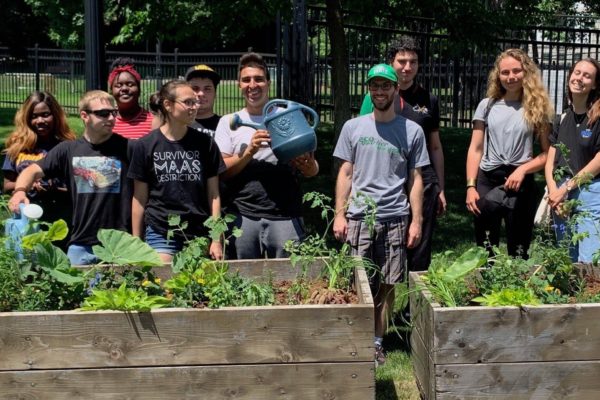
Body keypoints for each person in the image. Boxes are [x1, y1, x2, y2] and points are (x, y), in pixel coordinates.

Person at [333, 64, 429, 365]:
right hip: (360, 217)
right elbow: (346, 172)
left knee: (387, 284)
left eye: (385, 86)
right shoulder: (353, 127)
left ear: (395, 90)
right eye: (374, 86)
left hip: (394, 218)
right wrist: (340, 214)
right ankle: (354, 339)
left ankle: (376, 341)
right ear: (369, 90)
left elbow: (415, 179)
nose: (379, 91)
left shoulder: (412, 130)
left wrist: (416, 221)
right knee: (358, 281)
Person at [8, 90, 132, 265]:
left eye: (114, 113)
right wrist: (20, 191)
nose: (111, 118)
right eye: (103, 114)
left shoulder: (129, 148)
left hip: (120, 244)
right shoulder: (68, 150)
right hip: (81, 243)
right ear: (84, 116)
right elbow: (31, 171)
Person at [214, 52, 318, 259]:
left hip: (285, 213)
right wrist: (248, 152)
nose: (253, 85)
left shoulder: (287, 116)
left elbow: (313, 170)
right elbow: (222, 172)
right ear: (239, 85)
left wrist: (306, 165)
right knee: (242, 281)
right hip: (242, 215)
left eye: (259, 79)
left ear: (268, 82)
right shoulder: (229, 122)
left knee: (290, 280)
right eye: (246, 80)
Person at [359, 35, 445, 271]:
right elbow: (363, 139)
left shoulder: (429, 100)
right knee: (383, 250)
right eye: (401, 61)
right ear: (391, 62)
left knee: (419, 248)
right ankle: (379, 303)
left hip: (422, 178)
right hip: (388, 180)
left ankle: (412, 307)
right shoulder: (375, 97)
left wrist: (441, 187)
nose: (407, 67)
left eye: (413, 62)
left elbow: (435, 147)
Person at [465, 48, 553, 257]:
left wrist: (523, 170)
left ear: (526, 73)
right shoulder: (486, 106)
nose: (511, 77)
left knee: (519, 248)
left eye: (516, 71)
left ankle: (517, 288)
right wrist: (470, 186)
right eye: (505, 72)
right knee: (485, 248)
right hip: (488, 178)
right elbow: (475, 148)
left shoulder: (537, 108)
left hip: (520, 181)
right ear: (498, 75)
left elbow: (547, 153)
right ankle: (487, 286)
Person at [129, 80, 225, 263]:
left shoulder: (206, 144)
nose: (194, 107)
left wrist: (216, 238)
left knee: (198, 287)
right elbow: (139, 197)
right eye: (188, 102)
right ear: (168, 105)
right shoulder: (145, 145)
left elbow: (213, 195)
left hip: (199, 231)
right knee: (164, 283)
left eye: (195, 102)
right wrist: (136, 241)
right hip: (161, 230)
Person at [545, 58, 600, 262]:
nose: (580, 78)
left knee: (589, 262)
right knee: (565, 260)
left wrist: (565, 188)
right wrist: (553, 192)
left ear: (594, 84)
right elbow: (550, 162)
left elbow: (598, 162)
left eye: (587, 75)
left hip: (591, 193)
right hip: (560, 196)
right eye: (577, 73)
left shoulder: (597, 118)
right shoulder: (562, 118)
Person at [2, 91, 76, 228]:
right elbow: (7, 185)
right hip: (25, 219)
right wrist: (27, 185)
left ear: (55, 116)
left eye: (45, 115)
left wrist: (54, 189)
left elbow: (78, 187)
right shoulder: (17, 147)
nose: (40, 121)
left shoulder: (67, 146)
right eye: (34, 116)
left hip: (61, 219)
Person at [108, 57, 157, 139]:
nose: (124, 89)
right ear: (111, 91)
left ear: (139, 89)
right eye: (118, 85)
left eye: (130, 84)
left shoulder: (153, 122)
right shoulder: (107, 122)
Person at [185, 64, 221, 138]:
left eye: (207, 89)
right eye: (195, 88)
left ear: (215, 94)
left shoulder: (225, 125)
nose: (201, 94)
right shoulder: (176, 124)